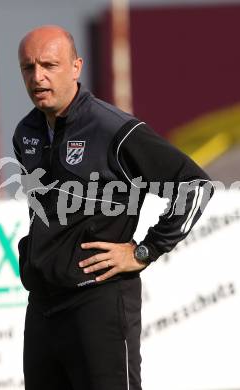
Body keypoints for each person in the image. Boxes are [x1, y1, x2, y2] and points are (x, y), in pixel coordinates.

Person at [13, 25, 214, 390]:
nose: (38, 77)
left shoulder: (112, 128)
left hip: (98, 302)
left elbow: (194, 186)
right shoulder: (26, 131)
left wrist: (144, 251)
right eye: (28, 67)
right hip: (42, 306)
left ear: (76, 67)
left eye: (49, 65)